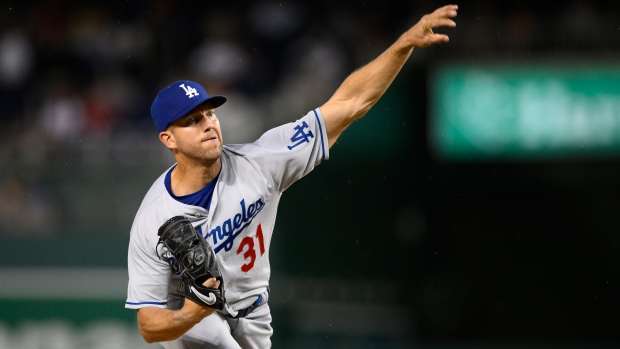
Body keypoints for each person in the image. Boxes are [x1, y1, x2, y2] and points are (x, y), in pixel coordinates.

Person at [125, 4, 458, 349]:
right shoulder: (154, 219)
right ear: (168, 139)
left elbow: (350, 103)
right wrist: (189, 315)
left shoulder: (261, 162)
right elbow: (149, 326)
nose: (209, 123)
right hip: (191, 328)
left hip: (252, 317)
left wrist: (402, 44)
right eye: (193, 121)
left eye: (210, 113)